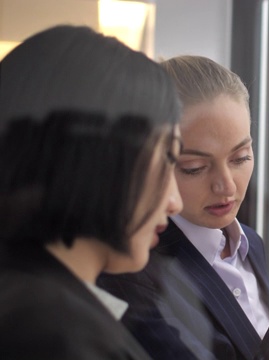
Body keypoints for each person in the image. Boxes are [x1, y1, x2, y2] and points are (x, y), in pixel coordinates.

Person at [98, 55, 269, 360]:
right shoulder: (129, 274)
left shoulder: (249, 243)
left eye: (240, 158)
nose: (227, 186)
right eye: (194, 167)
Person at [0, 25, 183, 359]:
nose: (175, 202)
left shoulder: (33, 303)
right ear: (105, 157)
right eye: (169, 158)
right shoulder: (55, 333)